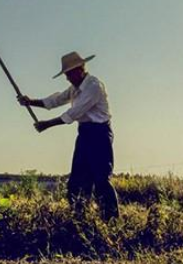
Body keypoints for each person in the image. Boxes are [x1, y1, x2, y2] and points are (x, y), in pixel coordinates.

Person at [18, 51, 119, 220]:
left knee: (101, 179)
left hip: (100, 134)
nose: (67, 78)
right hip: (85, 134)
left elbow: (74, 112)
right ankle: (80, 218)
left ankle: (112, 221)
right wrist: (30, 102)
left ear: (80, 69)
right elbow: (55, 100)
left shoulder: (94, 86)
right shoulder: (74, 89)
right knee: (76, 182)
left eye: (69, 74)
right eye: (66, 74)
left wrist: (47, 124)